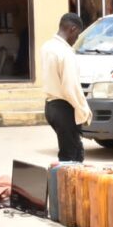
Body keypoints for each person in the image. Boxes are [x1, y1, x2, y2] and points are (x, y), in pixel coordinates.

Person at [41, 14, 92, 161]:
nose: (76, 39)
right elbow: (71, 87)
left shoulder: (47, 46)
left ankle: (63, 182)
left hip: (51, 106)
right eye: (77, 35)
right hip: (65, 108)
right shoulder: (65, 52)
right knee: (72, 157)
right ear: (72, 29)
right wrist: (84, 110)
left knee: (69, 152)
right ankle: (65, 184)